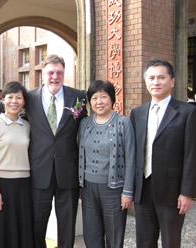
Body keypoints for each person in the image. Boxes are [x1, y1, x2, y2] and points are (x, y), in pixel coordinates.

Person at [130, 59, 196, 248]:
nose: (156, 82)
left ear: (172, 81)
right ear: (146, 82)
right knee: (144, 242)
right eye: (151, 78)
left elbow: (192, 154)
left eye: (161, 77)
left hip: (172, 191)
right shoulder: (138, 113)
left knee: (171, 242)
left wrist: (187, 192)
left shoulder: (187, 112)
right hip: (143, 190)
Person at [25, 54, 87, 248]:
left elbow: (81, 126)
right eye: (50, 72)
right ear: (42, 74)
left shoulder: (78, 97)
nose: (55, 77)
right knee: (36, 223)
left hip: (67, 171)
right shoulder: (29, 98)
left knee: (67, 224)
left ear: (64, 73)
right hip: (38, 171)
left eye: (59, 72)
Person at [78, 80, 135, 248]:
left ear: (112, 99)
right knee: (91, 234)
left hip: (114, 189)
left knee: (114, 235)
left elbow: (131, 158)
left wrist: (127, 192)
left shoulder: (123, 123)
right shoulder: (84, 123)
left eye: (103, 97)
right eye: (94, 98)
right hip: (88, 188)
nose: (99, 101)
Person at [0, 81, 33, 248]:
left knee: (22, 232)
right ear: (2, 99)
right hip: (2, 187)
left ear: (24, 101)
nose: (14, 101)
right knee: (1, 235)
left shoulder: (27, 126)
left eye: (19, 97)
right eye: (10, 97)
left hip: (23, 187)